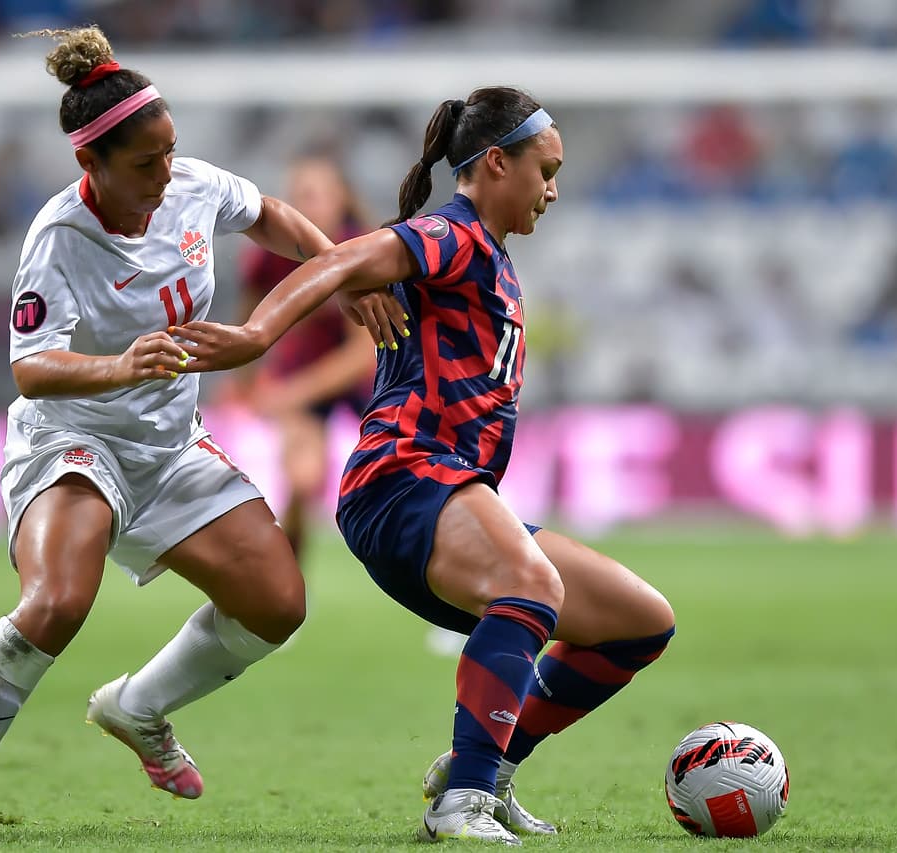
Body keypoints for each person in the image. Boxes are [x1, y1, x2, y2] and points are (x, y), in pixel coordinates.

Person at [0, 26, 394, 842]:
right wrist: (121, 365)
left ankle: (137, 707)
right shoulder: (61, 237)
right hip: (75, 442)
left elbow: (269, 214)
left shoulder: (192, 184)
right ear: (91, 165)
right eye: (145, 163)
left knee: (277, 603)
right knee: (59, 600)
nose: (166, 173)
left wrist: (334, 268)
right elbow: (32, 367)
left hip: (168, 447)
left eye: (170, 151)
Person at [174, 87, 677, 845]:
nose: (553, 190)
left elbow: (357, 267)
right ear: (497, 163)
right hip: (404, 479)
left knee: (640, 623)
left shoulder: (490, 256)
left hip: (449, 493)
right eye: (545, 171)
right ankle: (461, 801)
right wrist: (255, 337)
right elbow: (342, 258)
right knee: (533, 583)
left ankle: (485, 772)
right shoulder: (453, 233)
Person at [231, 153, 374, 560]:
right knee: (302, 478)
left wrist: (292, 393)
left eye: (314, 194)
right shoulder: (269, 255)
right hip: (302, 373)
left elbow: (362, 355)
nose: (304, 205)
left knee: (407, 478)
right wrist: (244, 382)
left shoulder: (362, 251)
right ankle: (286, 576)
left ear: (341, 198)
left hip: (366, 382)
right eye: (297, 195)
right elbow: (247, 328)